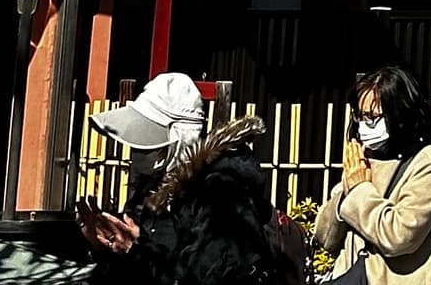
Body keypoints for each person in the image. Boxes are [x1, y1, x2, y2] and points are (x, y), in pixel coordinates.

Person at [77, 73, 303, 285]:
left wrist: (135, 250)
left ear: (179, 136)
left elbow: (208, 276)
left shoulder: (220, 193)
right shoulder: (151, 189)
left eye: (148, 139)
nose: (138, 151)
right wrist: (103, 245)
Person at [311, 67, 431, 285]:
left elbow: (399, 236)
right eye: (360, 116)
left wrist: (359, 191)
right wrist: (343, 197)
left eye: (373, 117)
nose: (365, 125)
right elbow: (325, 237)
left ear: (400, 114)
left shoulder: (427, 164)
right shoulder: (364, 158)